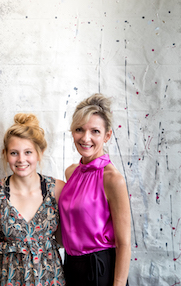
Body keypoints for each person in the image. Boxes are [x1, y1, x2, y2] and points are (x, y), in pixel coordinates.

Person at [0, 113, 65, 286]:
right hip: (11, 279)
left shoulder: (56, 189)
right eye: (14, 153)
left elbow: (62, 239)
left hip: (50, 278)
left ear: (39, 153)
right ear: (5, 154)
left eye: (28, 152)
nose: (21, 159)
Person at [59, 93, 131, 286]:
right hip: (71, 265)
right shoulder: (71, 172)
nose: (85, 138)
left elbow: (124, 244)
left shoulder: (112, 179)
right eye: (79, 129)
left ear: (107, 135)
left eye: (95, 131)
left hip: (100, 269)